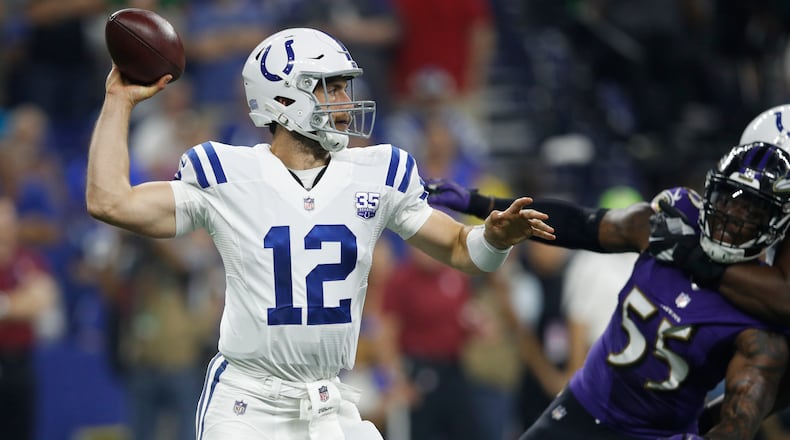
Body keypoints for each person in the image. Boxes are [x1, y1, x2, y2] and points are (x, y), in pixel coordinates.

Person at [85, 27, 555, 440]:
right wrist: (118, 99)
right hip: (248, 401)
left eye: (344, 88)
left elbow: (460, 250)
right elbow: (110, 201)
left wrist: (495, 239)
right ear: (284, 98)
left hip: (330, 401)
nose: (345, 102)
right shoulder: (228, 172)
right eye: (330, 89)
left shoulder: (378, 171)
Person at [428, 141, 790, 439]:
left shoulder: (761, 316)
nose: (732, 215)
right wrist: (481, 204)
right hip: (583, 407)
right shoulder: (670, 225)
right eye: (729, 198)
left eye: (752, 210)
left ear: (775, 224)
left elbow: (736, 426)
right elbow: (582, 224)